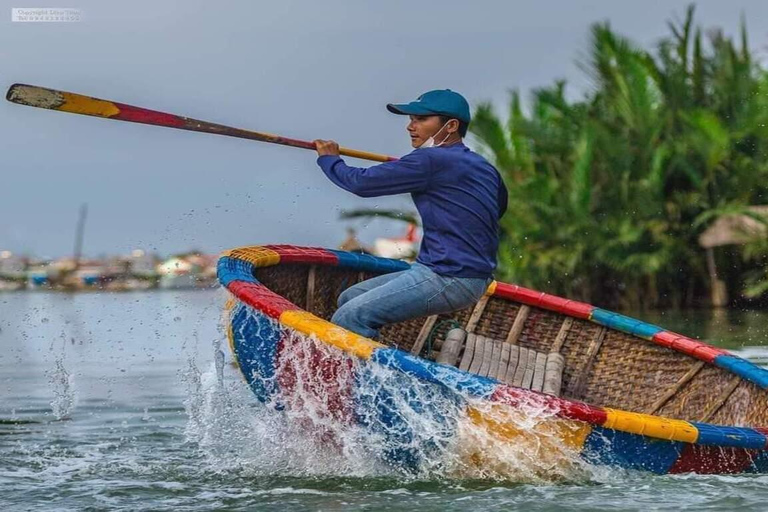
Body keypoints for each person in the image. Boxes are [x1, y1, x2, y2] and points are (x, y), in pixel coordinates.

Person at [314, 89, 508, 340]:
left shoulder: (429, 160)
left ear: (450, 126)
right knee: (350, 298)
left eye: (420, 120)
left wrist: (330, 160)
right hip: (456, 274)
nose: (410, 126)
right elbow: (498, 206)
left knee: (349, 317)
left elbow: (360, 184)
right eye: (410, 119)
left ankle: (375, 377)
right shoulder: (482, 166)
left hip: (451, 277)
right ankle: (377, 355)